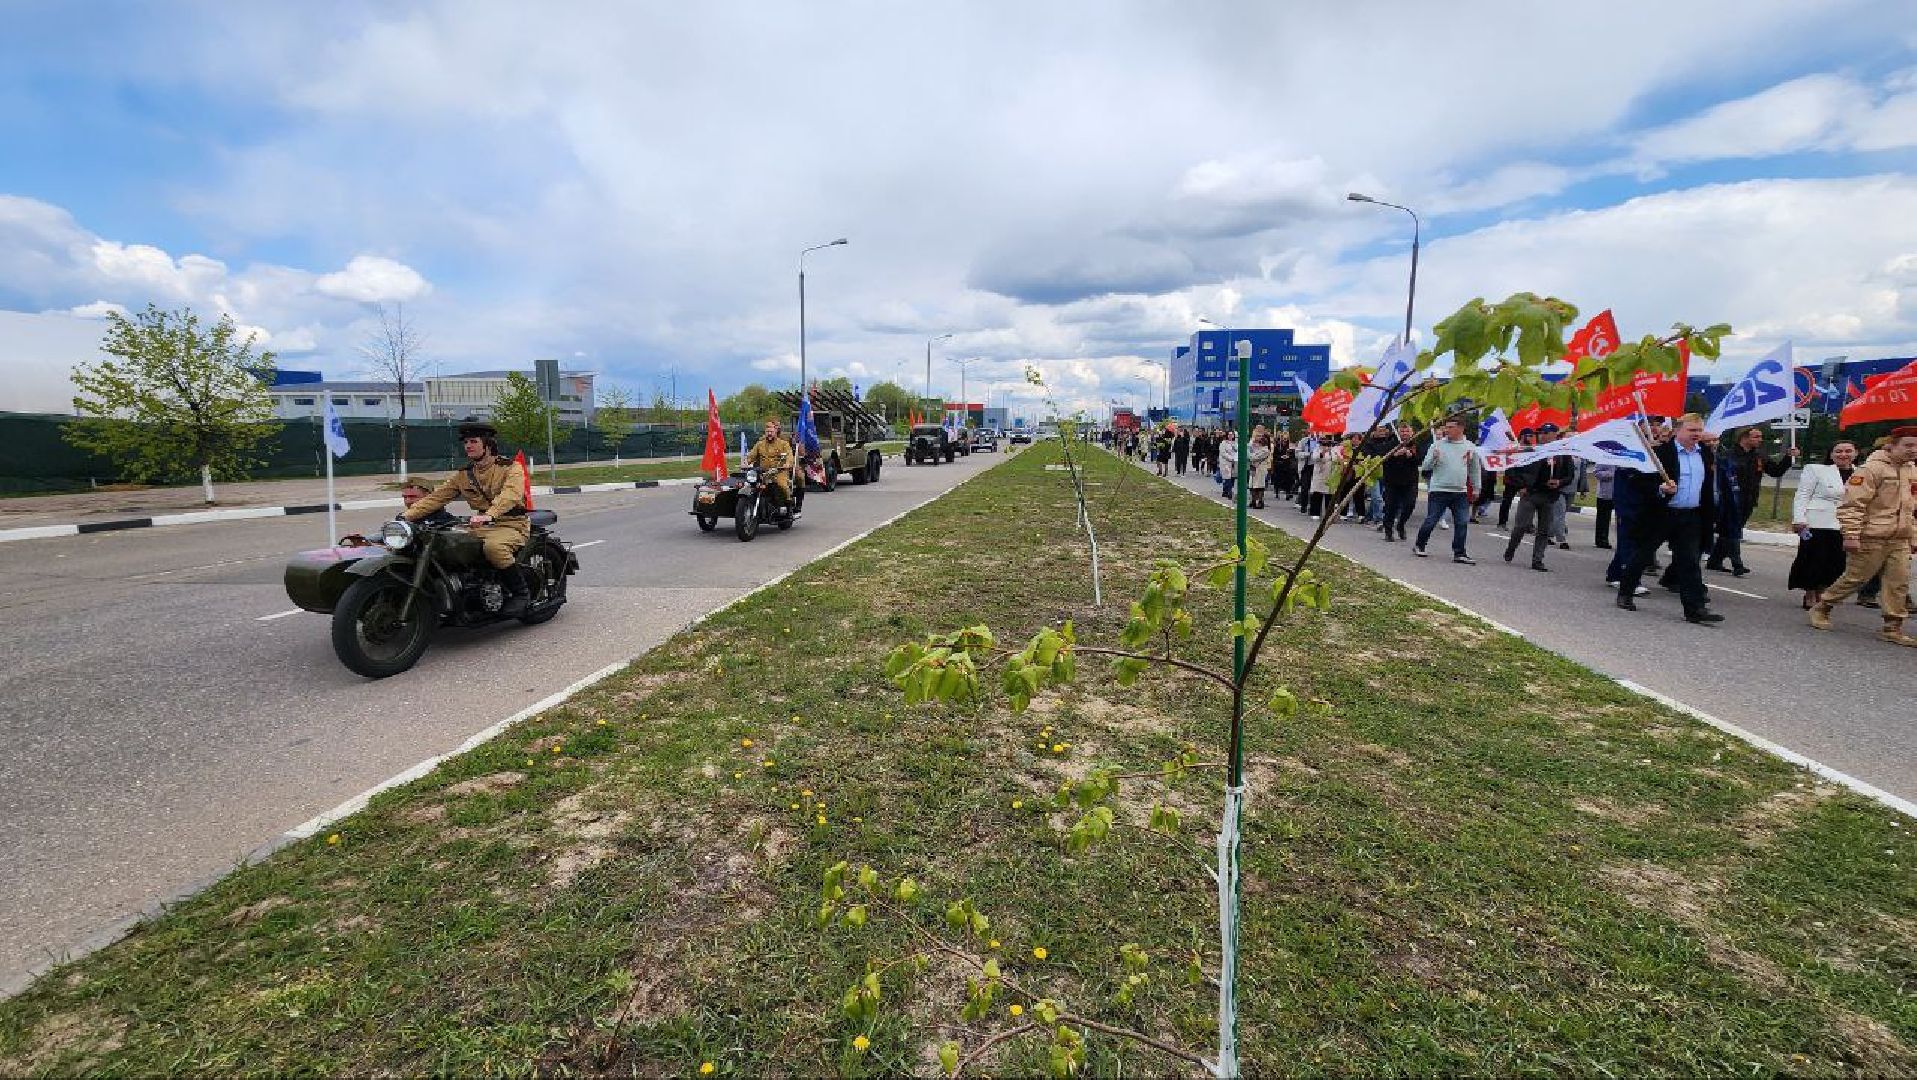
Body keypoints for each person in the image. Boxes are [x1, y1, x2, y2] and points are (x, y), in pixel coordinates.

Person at [402, 420, 534, 615]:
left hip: (511, 523)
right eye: (466, 443)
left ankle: (521, 594)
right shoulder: (464, 475)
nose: (468, 446)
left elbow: (511, 495)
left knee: (494, 548)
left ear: (487, 445)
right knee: (447, 545)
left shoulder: (510, 468)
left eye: (473, 441)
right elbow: (436, 498)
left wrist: (490, 514)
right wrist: (405, 516)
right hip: (481, 525)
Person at [1808, 426, 1917, 646]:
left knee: (1898, 583)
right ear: (1891, 445)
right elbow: (1852, 505)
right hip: (1872, 536)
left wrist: (1913, 537)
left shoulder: (1911, 470)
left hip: (1899, 538)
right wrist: (1851, 534)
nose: (1913, 450)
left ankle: (1892, 627)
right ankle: (1822, 607)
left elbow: (1912, 508)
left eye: (1916, 446)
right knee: (1855, 578)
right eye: (1908, 445)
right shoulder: (1870, 470)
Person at [1614, 413, 1722, 625]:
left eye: (1699, 431)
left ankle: (1695, 608)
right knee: (1643, 555)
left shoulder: (1705, 454)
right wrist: (1660, 488)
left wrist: (1711, 514)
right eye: (1692, 430)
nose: (1697, 435)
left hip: (1691, 515)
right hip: (1662, 514)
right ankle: (1626, 591)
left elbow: (1707, 488)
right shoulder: (1660, 453)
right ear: (1678, 431)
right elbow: (1638, 482)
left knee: (1690, 561)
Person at [1708, 426, 1798, 576]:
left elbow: (1775, 471)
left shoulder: (1759, 456)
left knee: (1728, 531)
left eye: (1760, 436)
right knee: (1733, 530)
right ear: (1743, 437)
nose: (1760, 440)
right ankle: (1737, 564)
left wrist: (1788, 458)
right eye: (1756, 436)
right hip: (1729, 500)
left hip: (1748, 500)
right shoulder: (1727, 455)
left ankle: (1715, 560)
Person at [1788, 441, 1859, 610]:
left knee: (1836, 561)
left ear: (1855, 453)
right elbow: (1803, 494)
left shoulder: (1862, 473)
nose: (1843, 455)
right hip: (1816, 522)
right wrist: (1799, 519)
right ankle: (1810, 593)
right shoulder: (1816, 470)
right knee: (1813, 559)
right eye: (1838, 451)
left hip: (1845, 523)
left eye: (1848, 451)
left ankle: (1824, 591)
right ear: (1831, 454)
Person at [1412, 418, 1478, 564]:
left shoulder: (1470, 447)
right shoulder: (1437, 445)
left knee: (1462, 522)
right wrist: (1433, 459)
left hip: (1460, 491)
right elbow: (1425, 467)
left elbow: (1474, 469)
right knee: (1431, 520)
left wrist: (1476, 487)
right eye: (1445, 427)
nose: (1446, 430)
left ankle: (1459, 553)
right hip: (1439, 490)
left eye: (1450, 427)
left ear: (1461, 428)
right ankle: (1419, 545)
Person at [1503, 445, 1575, 571]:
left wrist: (1559, 482)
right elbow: (1514, 468)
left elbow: (1569, 475)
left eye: (1548, 433)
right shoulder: (1532, 451)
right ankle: (1511, 549)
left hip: (1549, 495)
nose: (1544, 436)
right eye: (1542, 433)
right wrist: (1520, 485)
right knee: (1521, 526)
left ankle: (1537, 560)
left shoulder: (1562, 454)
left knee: (1544, 530)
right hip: (1530, 493)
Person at [1377, 422, 1422, 542]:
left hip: (1410, 481)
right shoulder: (1391, 443)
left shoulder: (1416, 445)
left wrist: (1410, 456)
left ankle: (1401, 524)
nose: (1405, 434)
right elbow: (1381, 459)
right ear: (1398, 432)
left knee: (1409, 505)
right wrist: (1395, 454)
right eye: (1402, 431)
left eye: (1407, 431)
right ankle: (1388, 531)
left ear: (1412, 432)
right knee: (1390, 507)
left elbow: (1420, 461)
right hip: (1392, 481)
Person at [746, 417, 796, 503]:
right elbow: (751, 456)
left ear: (776, 432)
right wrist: (746, 462)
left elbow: (789, 456)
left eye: (771, 432)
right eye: (767, 432)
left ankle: (789, 504)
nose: (769, 434)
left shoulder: (783, 444)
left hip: (779, 472)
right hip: (763, 473)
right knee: (750, 485)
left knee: (782, 486)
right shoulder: (760, 444)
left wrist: (787, 463)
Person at [1497, 428, 1538, 528]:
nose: (1532, 438)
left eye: (1532, 436)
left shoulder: (1531, 450)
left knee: (1529, 504)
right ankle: (1502, 522)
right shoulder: (1513, 448)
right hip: (1512, 480)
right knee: (1507, 502)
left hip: (1526, 481)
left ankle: (1528, 524)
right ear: (1523, 436)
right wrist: (1516, 480)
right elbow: (1510, 465)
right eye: (1530, 436)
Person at [1591, 464, 1617, 549]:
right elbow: (1596, 472)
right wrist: (1610, 474)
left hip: (1619, 494)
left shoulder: (1621, 459)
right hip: (1605, 494)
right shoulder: (1604, 459)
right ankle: (1601, 540)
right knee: (1603, 518)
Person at [1246, 426, 1272, 509]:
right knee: (1252, 485)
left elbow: (1253, 457)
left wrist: (1249, 454)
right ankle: (1253, 501)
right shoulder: (1257, 448)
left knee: (1259, 485)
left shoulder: (1265, 450)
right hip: (1254, 468)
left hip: (1261, 469)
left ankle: (1260, 502)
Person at [1272, 432, 1299, 499]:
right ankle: (1277, 491)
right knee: (1278, 479)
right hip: (1279, 464)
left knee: (1289, 479)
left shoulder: (1291, 446)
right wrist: (1281, 457)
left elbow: (1294, 456)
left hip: (1288, 465)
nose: (1285, 440)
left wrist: (1289, 456)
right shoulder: (1278, 446)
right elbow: (1274, 456)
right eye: (1284, 438)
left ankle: (1288, 492)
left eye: (1286, 439)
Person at [1218, 428, 1238, 501]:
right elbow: (1223, 453)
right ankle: (1229, 492)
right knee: (1227, 477)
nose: (1230, 436)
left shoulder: (1235, 443)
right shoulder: (1223, 443)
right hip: (1225, 462)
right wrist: (1230, 458)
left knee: (1232, 477)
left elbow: (1236, 451)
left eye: (1232, 434)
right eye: (1229, 434)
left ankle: (1225, 491)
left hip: (1233, 463)